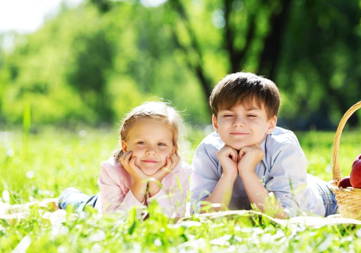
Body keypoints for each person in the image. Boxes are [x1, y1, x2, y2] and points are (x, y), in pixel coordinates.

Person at [190, 72, 337, 218]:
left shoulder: (283, 146)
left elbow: (285, 217)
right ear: (215, 122)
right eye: (228, 115)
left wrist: (247, 172)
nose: (238, 123)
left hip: (321, 200)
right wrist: (228, 174)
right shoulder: (208, 150)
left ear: (271, 124)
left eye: (251, 115)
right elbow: (201, 216)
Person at [58, 101, 191, 218]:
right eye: (141, 143)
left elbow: (172, 220)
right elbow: (115, 222)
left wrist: (155, 183)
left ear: (173, 149)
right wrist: (139, 183)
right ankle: (68, 194)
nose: (151, 151)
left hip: (117, 202)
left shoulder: (181, 173)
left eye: (161, 144)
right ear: (125, 145)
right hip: (98, 206)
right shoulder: (111, 170)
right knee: (77, 203)